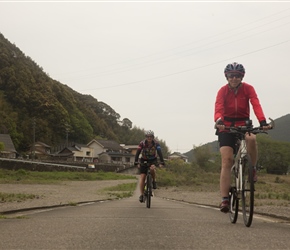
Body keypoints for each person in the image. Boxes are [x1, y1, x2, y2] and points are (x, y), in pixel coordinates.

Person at [214, 62, 272, 213]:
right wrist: (219, 120)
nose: (234, 78)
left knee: (251, 139)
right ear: (227, 77)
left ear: (242, 77)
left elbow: (255, 104)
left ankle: (252, 168)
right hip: (226, 126)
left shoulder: (248, 88)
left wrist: (263, 121)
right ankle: (225, 200)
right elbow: (219, 107)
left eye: (237, 76)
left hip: (244, 123)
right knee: (227, 161)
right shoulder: (222, 91)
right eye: (231, 76)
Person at [134, 130, 165, 203]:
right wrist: (136, 161)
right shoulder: (142, 143)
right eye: (148, 137)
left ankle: (154, 181)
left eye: (150, 137)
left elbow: (159, 152)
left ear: (153, 137)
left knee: (152, 169)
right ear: (146, 137)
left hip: (153, 160)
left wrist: (162, 161)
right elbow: (138, 152)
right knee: (142, 177)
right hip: (143, 160)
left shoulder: (156, 143)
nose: (149, 138)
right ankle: (141, 195)